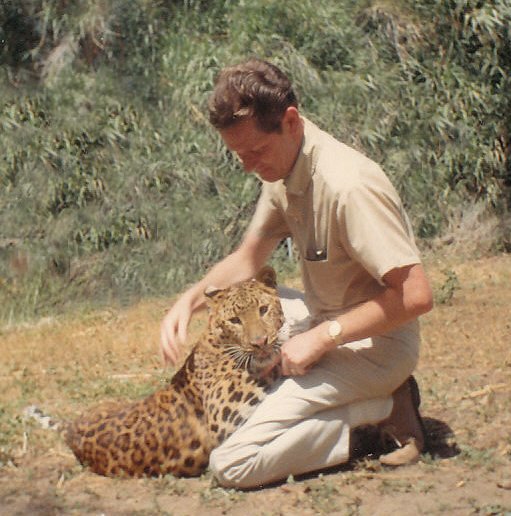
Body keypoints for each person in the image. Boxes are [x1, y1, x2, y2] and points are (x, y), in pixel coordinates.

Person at [160, 58, 433, 488]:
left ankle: (380, 409)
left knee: (234, 463)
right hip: (329, 316)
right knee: (249, 309)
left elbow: (416, 296)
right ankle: (343, 396)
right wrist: (189, 301)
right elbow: (250, 259)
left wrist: (320, 339)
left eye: (256, 152)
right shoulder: (284, 169)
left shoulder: (348, 185)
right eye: (238, 156)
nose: (249, 167)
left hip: (377, 342)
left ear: (290, 122)